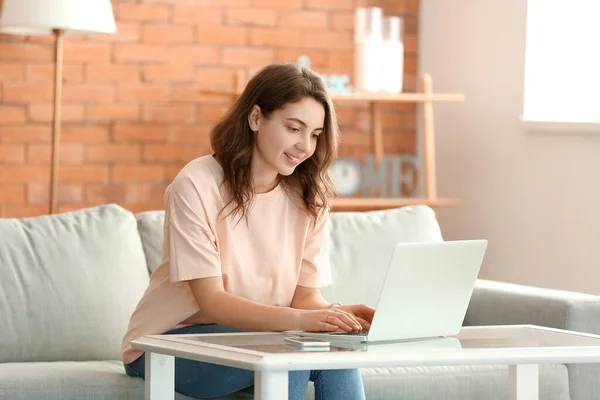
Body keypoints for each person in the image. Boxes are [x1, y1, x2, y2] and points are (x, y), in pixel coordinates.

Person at [120, 62, 375, 400]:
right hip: (167, 342)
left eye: (314, 134)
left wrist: (333, 320)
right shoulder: (197, 184)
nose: (305, 146)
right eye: (293, 128)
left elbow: (304, 296)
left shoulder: (310, 196)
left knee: (337, 352)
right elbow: (212, 303)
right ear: (256, 118)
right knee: (290, 354)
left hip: (258, 336)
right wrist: (305, 321)